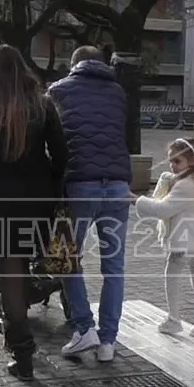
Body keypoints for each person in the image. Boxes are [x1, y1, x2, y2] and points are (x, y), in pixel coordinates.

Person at [0, 44, 68, 381]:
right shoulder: (43, 105)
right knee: (28, 264)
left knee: (10, 273)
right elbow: (62, 155)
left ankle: (22, 353)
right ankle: (36, 303)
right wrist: (49, 188)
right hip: (37, 201)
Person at [47, 46, 131, 363]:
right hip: (119, 186)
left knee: (66, 258)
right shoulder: (118, 91)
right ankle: (108, 341)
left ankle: (84, 329)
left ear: (74, 65)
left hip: (80, 183)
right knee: (114, 268)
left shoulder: (57, 90)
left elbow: (51, 137)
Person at [135, 137, 194, 341]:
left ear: (191, 160)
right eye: (170, 160)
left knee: (172, 278)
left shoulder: (185, 185)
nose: (172, 165)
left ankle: (174, 320)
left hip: (184, 242)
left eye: (177, 161)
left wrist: (137, 199)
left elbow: (162, 209)